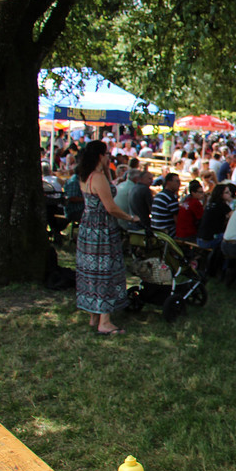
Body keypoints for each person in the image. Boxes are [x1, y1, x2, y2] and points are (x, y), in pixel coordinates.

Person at [75, 141, 140, 335]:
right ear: (100, 156)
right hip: (102, 229)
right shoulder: (98, 177)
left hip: (88, 226)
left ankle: (94, 316)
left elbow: (108, 188)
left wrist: (106, 169)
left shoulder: (86, 175)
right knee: (106, 271)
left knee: (91, 271)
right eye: (107, 155)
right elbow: (110, 207)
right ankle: (105, 321)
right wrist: (130, 218)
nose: (109, 157)